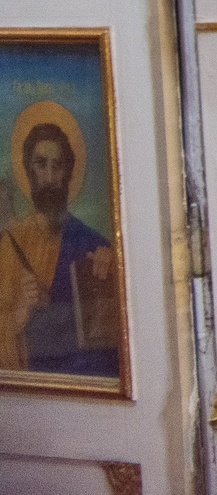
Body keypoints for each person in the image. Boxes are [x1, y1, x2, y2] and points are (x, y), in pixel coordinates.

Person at [0, 112, 118, 379]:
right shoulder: (8, 246)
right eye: (41, 164)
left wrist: (115, 270)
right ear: (29, 169)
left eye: (58, 165)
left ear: (69, 171)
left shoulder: (93, 244)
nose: (50, 175)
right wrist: (21, 312)